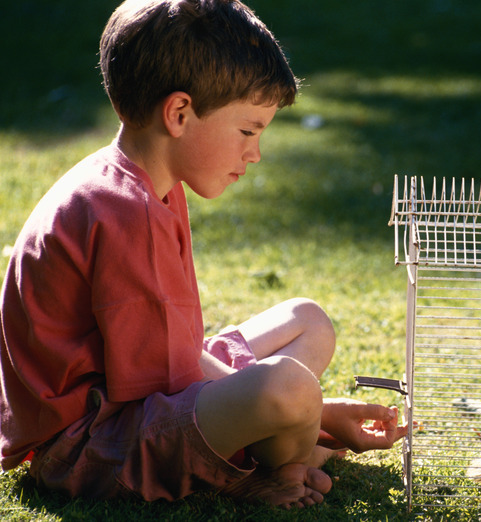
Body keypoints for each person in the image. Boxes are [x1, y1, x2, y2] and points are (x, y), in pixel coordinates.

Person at [0, 0, 406, 509]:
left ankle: (295, 446)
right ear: (179, 114)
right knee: (290, 388)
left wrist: (314, 411)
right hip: (87, 448)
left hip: (125, 395)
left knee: (308, 320)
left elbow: (174, 355)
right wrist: (317, 412)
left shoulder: (138, 180)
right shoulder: (126, 210)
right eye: (248, 131)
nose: (255, 153)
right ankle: (278, 465)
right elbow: (167, 380)